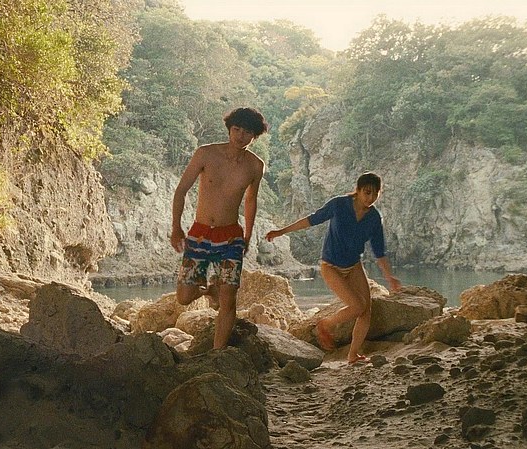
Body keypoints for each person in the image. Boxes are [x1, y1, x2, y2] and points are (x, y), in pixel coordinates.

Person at [265, 172, 401, 364]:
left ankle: (353, 355)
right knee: (357, 306)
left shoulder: (373, 217)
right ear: (358, 190)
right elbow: (312, 219)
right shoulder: (339, 205)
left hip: (353, 265)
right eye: (367, 192)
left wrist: (389, 277)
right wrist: (281, 231)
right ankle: (325, 324)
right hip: (331, 266)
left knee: (366, 310)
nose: (370, 198)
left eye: (375, 193)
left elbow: (379, 251)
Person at [170, 107, 268, 350]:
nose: (241, 136)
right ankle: (209, 289)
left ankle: (218, 353)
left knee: (228, 299)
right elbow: (181, 190)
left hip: (230, 237)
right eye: (237, 129)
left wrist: (248, 235)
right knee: (184, 297)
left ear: (254, 136)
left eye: (247, 132)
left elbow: (251, 200)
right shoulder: (206, 154)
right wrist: (176, 227)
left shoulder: (255, 166)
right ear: (229, 129)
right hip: (200, 234)